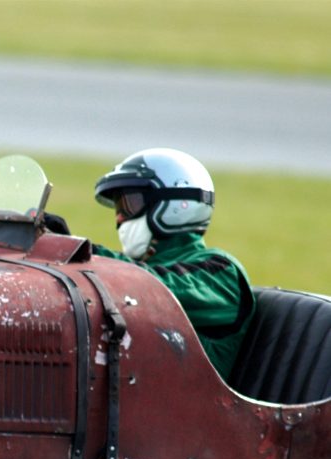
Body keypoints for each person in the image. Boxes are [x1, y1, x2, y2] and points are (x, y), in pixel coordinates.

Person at [92, 148, 255, 380]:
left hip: (189, 410)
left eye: (129, 204)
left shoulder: (222, 273)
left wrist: (85, 253)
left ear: (175, 205)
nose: (119, 218)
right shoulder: (136, 266)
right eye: (118, 208)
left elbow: (153, 288)